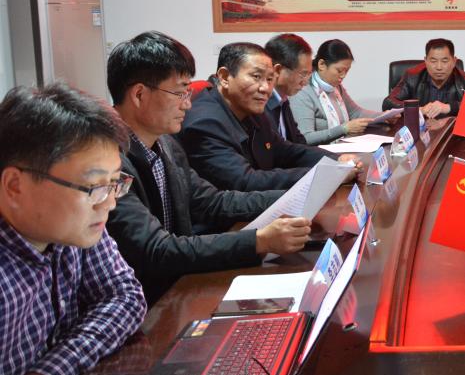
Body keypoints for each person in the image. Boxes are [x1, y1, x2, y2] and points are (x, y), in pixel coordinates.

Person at [0, 83, 185, 375]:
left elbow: (125, 296)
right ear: (15, 186)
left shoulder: (72, 227)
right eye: (93, 186)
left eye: (114, 183)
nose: (110, 203)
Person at [106, 32, 313, 304]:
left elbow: (212, 202)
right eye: (180, 92)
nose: (187, 103)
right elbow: (156, 249)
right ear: (139, 94)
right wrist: (259, 241)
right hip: (143, 301)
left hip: (178, 287)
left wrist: (296, 197)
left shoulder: (166, 144)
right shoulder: (108, 162)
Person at [178, 42, 338, 191]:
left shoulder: (251, 108)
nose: (266, 88)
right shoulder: (205, 123)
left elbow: (284, 150)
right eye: (256, 77)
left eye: (270, 79)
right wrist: (324, 173)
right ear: (225, 77)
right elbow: (246, 181)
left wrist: (337, 160)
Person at [291, 39, 393, 145]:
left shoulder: (335, 86)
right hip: (318, 151)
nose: (343, 76)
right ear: (322, 64)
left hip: (341, 147)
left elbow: (355, 112)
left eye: (346, 71)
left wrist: (383, 116)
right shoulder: (303, 91)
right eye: (339, 71)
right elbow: (306, 138)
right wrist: (343, 129)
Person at [383, 38, 465, 118]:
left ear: (454, 61)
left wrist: (449, 107)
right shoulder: (412, 77)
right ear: (426, 61)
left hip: (451, 132)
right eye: (433, 61)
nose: (439, 67)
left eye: (444, 61)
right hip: (420, 131)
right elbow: (388, 103)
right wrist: (418, 110)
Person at [264, 33, 313, 144]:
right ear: (278, 70)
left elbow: (299, 142)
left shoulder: (283, 100)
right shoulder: (261, 105)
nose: (305, 82)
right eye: (303, 74)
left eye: (309, 74)